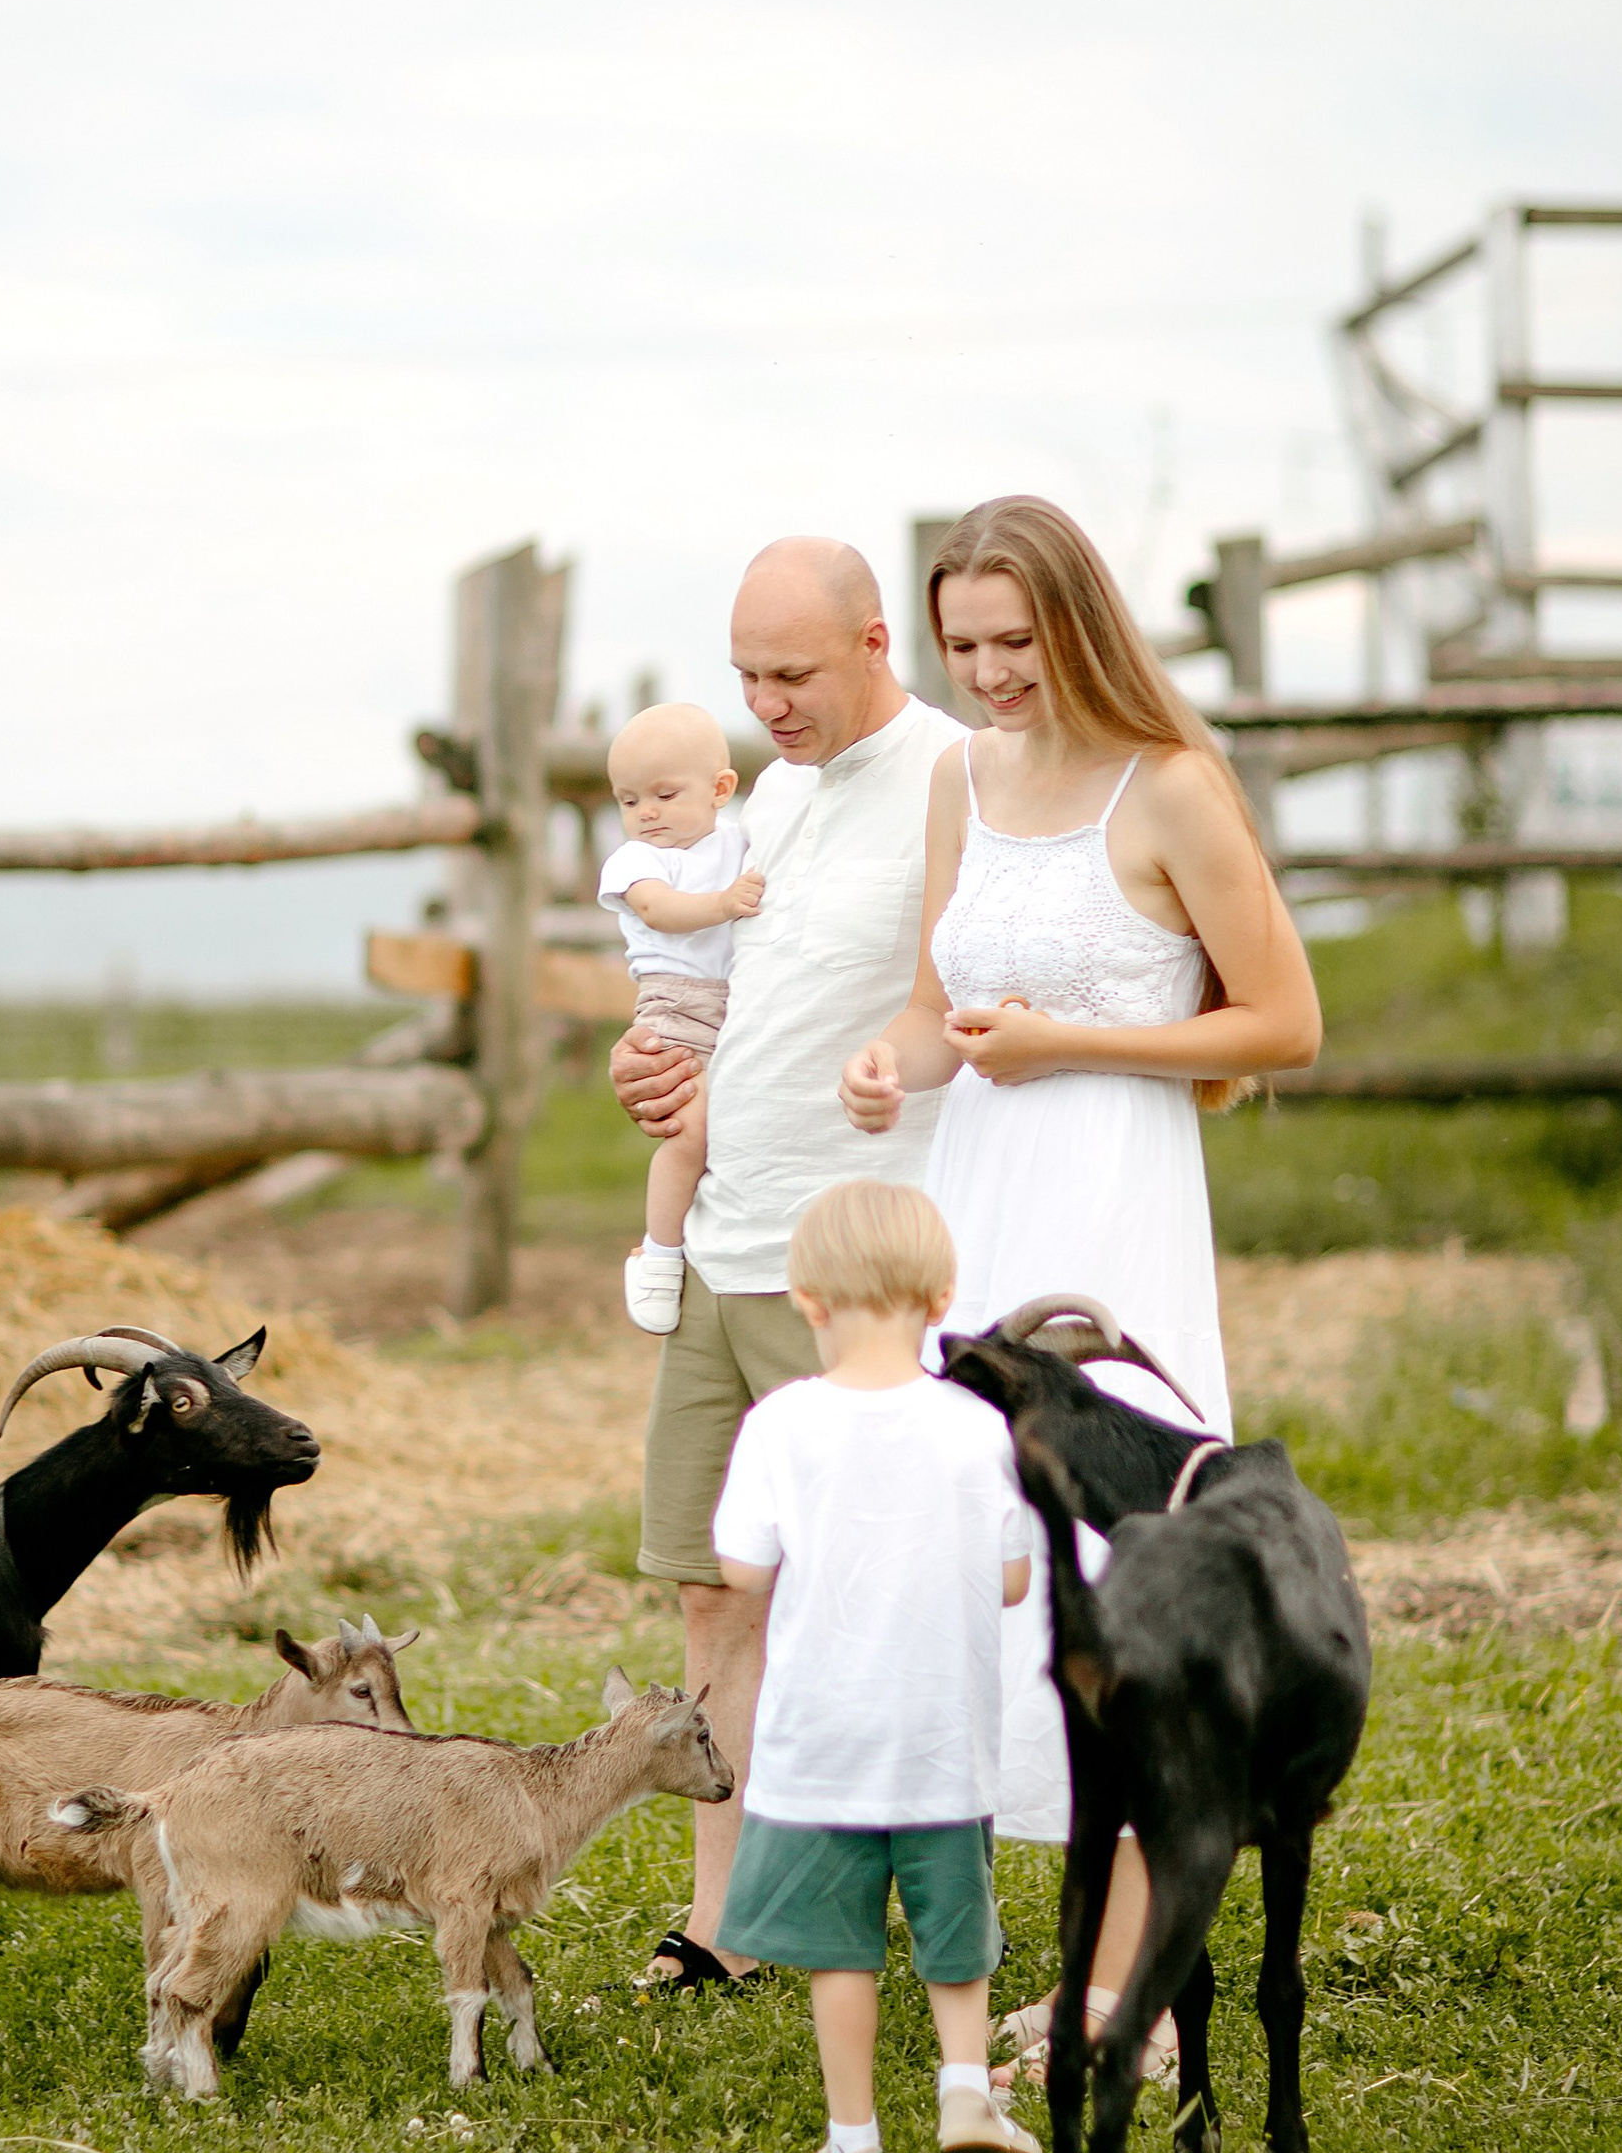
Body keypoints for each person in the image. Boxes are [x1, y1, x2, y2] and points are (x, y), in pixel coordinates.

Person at [838, 493, 1322, 2087]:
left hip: (1114, 1216)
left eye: (1013, 641)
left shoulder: (1169, 788)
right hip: (975, 1207)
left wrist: (1071, 1043)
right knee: (986, 1553)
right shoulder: (961, 784)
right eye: (960, 643)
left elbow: (1282, 1026)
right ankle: (1039, 1952)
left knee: (1122, 1571)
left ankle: (1130, 1995)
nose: (983, 674)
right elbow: (934, 1009)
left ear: (1080, 626)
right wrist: (884, 1066)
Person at [611, 536, 964, 1990]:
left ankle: (895, 1894)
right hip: (722, 1236)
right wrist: (655, 1064)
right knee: (711, 1587)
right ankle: (728, 1921)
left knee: (865, 1595)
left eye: (794, 673)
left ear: (878, 642)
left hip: (853, 1252)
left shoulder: (951, 773)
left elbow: (953, 992)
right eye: (747, 674)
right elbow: (729, 989)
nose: (766, 702)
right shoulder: (768, 797)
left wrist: (899, 1069)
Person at [712, 1178, 1036, 2153]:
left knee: (837, 1948)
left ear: (805, 1301)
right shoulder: (977, 1426)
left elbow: (739, 1568)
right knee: (954, 1937)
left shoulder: (779, 1423)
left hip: (822, 1742)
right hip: (941, 1736)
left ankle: (852, 2133)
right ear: (941, 1302)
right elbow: (1014, 1578)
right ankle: (964, 2091)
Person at [597, 703, 766, 1334]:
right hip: (675, 1003)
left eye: (665, 795)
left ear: (721, 789)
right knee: (689, 1129)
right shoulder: (636, 861)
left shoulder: (742, 839)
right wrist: (723, 904)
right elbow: (661, 910)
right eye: (629, 799)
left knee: (733, 1123)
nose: (646, 813)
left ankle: (707, 1237)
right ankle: (659, 1252)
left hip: (740, 1000)